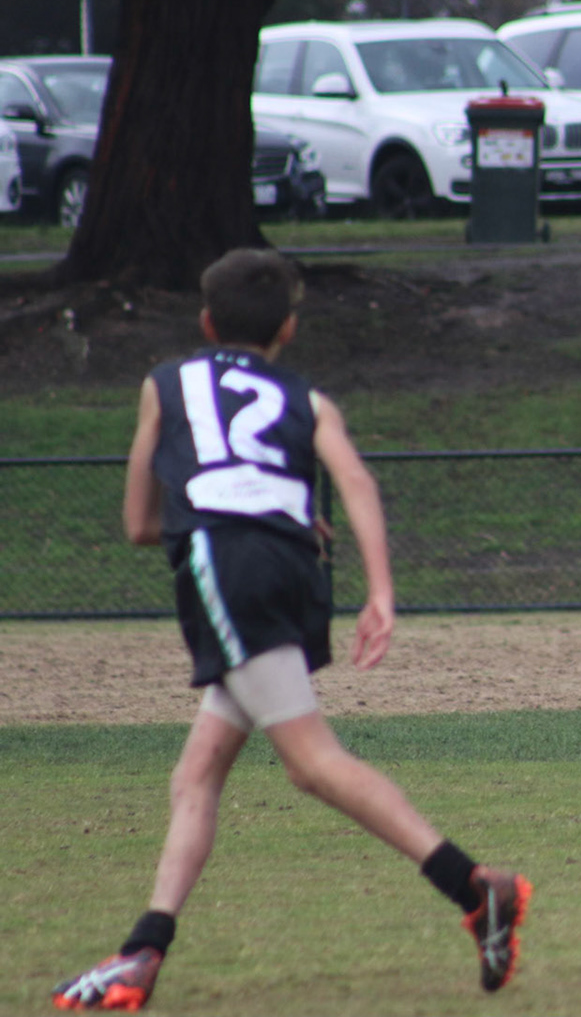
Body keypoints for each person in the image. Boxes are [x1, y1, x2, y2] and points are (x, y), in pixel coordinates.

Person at [52, 250, 529, 1013]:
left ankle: (476, 888)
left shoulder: (165, 383)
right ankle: (143, 949)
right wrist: (380, 592)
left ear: (207, 322)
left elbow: (140, 523)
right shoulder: (309, 398)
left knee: (311, 763)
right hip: (297, 568)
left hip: (228, 567)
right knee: (197, 773)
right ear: (289, 328)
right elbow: (355, 481)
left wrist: (208, 512)